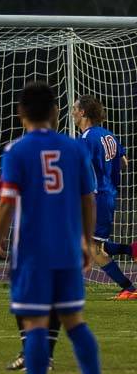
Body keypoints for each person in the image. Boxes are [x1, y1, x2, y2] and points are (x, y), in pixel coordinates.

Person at [0, 81, 106, 374]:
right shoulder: (74, 149)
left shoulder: (16, 151)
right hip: (67, 248)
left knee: (35, 323)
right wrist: (86, 240)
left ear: (21, 113)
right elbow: (88, 199)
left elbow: (7, 204)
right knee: (75, 322)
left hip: (33, 252)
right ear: (55, 112)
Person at [71, 95, 133, 299]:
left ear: (83, 113)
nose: (72, 113)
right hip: (108, 194)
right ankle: (132, 250)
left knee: (92, 247)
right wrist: (108, 171)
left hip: (97, 198)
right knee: (90, 241)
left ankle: (129, 288)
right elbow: (124, 162)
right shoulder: (108, 135)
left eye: (74, 109)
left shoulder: (86, 139)